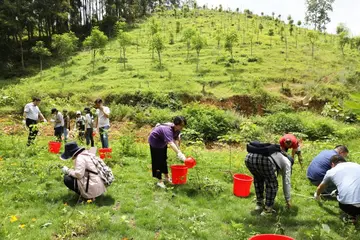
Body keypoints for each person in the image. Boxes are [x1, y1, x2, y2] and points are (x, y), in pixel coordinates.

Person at [245, 141, 293, 215]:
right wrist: (288, 200)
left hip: (249, 157)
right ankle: (267, 210)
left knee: (258, 179)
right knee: (272, 184)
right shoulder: (287, 163)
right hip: (264, 160)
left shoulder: (279, 154)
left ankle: (259, 204)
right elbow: (286, 182)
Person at [314, 155, 360, 223]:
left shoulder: (331, 171)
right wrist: (337, 192)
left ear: (332, 164)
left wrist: (317, 195)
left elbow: (321, 187)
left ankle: (352, 217)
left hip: (350, 206)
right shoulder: (356, 165)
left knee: (347, 205)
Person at [148, 116, 187, 189]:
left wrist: (179, 151)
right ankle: (160, 181)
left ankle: (167, 177)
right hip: (155, 142)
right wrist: (178, 153)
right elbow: (171, 143)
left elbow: (175, 140)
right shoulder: (167, 129)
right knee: (157, 161)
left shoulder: (177, 129)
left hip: (162, 142)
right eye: (181, 125)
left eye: (183, 125)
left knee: (163, 159)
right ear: (176, 124)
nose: (182, 127)